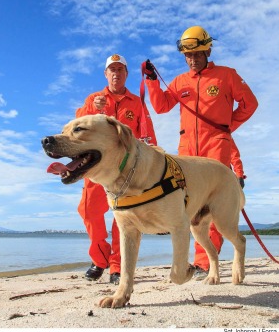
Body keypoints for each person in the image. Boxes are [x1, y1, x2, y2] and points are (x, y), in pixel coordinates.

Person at [142, 26, 258, 278]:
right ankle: (201, 260)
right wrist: (151, 80)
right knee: (187, 205)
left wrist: (226, 129)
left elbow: (250, 104)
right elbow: (161, 107)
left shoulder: (227, 75)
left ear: (207, 50)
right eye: (188, 55)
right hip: (187, 150)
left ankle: (204, 264)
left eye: (197, 54)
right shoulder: (180, 81)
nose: (193, 59)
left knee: (212, 202)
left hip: (216, 145)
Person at [76, 53, 157, 285]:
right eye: (112, 70)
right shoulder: (94, 98)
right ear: (105, 74)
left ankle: (117, 267)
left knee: (123, 217)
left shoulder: (137, 103)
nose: (116, 73)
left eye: (120, 69)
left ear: (126, 74)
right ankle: (100, 258)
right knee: (89, 211)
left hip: (125, 170)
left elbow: (147, 134)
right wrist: (92, 108)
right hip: (96, 167)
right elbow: (78, 125)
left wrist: (154, 158)